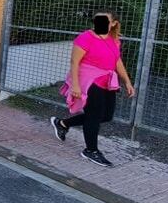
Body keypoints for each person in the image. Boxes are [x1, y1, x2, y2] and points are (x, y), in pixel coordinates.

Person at [51, 9, 136, 167]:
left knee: (106, 116)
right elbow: (74, 62)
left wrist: (127, 82)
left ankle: (62, 124)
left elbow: (117, 62)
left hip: (107, 79)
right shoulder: (86, 38)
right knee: (94, 115)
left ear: (113, 23)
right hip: (88, 79)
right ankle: (91, 150)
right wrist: (75, 85)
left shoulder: (114, 40)